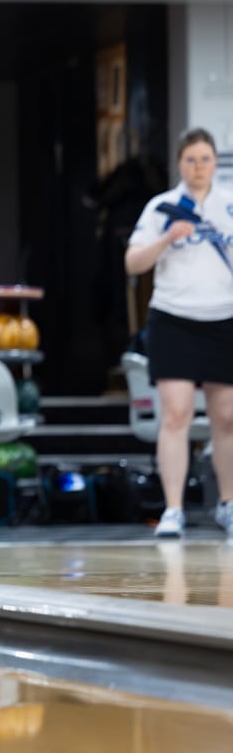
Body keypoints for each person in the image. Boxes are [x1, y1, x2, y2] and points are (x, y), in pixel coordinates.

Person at [124, 127, 233, 539]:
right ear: (179, 163)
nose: (199, 167)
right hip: (174, 317)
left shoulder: (228, 206)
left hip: (224, 318)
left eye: (205, 159)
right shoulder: (162, 208)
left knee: (226, 418)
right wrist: (167, 240)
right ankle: (172, 509)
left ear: (215, 162)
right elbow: (133, 263)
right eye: (191, 160)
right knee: (176, 414)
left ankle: (228, 503)